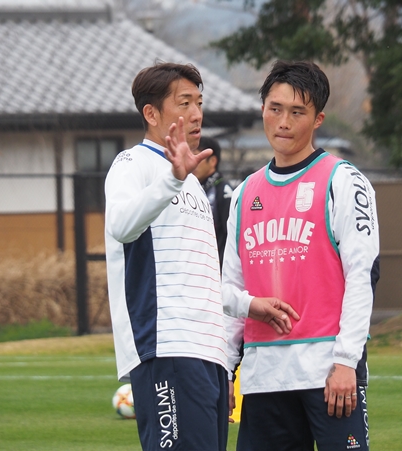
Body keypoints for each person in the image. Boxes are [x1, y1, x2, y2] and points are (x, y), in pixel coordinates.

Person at [104, 61, 295, 451]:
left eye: (199, 103)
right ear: (151, 113)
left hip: (210, 354)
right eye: (184, 103)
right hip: (166, 347)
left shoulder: (190, 182)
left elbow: (200, 278)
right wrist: (172, 179)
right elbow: (120, 226)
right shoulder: (131, 164)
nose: (196, 114)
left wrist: (248, 304)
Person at [222, 60, 380, 451]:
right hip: (262, 378)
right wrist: (224, 371)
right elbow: (230, 290)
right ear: (262, 109)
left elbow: (362, 275)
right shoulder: (243, 195)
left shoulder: (344, 180)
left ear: (318, 119)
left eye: (297, 112)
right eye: (275, 109)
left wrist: (346, 361)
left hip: (327, 373)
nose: (283, 122)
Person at [193, 136, 233, 267]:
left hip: (217, 270)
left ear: (212, 161)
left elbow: (231, 236)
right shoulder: (192, 188)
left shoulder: (224, 191)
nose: (193, 162)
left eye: (197, 157)